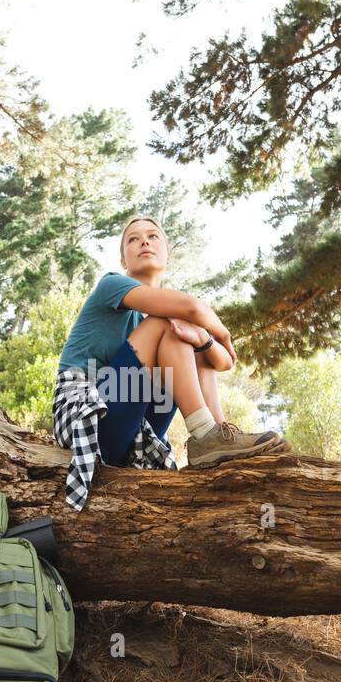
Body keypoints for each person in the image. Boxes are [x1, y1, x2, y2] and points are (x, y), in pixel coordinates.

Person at [52, 215, 288, 510]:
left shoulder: (163, 324)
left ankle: (219, 436)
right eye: (133, 239)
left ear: (168, 255)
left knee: (184, 335)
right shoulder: (111, 285)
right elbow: (192, 307)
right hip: (90, 416)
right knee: (171, 324)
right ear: (123, 260)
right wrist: (223, 334)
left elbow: (223, 363)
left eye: (153, 237)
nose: (144, 242)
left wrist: (203, 340)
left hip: (133, 432)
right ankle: (205, 434)